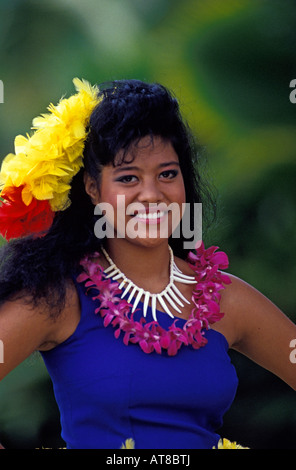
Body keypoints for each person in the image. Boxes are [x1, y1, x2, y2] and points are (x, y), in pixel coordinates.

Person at [0, 78, 295, 450]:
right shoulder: (59, 299)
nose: (152, 195)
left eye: (167, 174)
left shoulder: (226, 300)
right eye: (128, 178)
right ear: (93, 188)